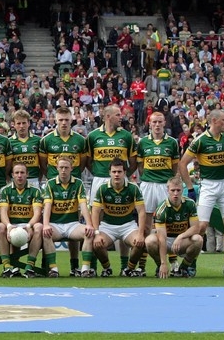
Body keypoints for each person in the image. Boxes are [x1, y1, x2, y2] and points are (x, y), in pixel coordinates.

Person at [181, 108, 224, 276]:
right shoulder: (200, 141)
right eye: (223, 120)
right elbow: (183, 164)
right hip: (208, 185)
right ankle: (192, 262)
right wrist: (190, 187)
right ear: (214, 121)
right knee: (201, 226)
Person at [87, 103, 137, 272]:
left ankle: (125, 266)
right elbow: (88, 161)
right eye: (117, 114)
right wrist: (99, 173)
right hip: (100, 179)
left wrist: (124, 174)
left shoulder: (126, 136)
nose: (120, 117)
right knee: (96, 222)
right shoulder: (93, 136)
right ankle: (94, 266)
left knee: (124, 218)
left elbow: (133, 161)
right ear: (108, 117)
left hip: (121, 180)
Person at [38, 105, 88, 276]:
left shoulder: (80, 140)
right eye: (60, 120)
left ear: (72, 120)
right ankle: (49, 266)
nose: (64, 123)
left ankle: (75, 266)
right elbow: (43, 165)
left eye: (67, 120)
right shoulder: (46, 140)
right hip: (53, 184)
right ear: (55, 120)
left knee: (73, 221)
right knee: (49, 222)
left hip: (74, 185)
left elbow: (81, 164)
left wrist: (70, 174)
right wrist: (54, 177)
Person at [136, 110, 180, 275]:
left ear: (164, 123)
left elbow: (174, 167)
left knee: (167, 226)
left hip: (164, 185)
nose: (157, 125)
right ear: (149, 123)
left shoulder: (172, 143)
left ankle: (173, 261)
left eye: (160, 122)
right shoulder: (142, 143)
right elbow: (140, 167)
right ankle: (142, 265)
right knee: (146, 227)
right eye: (154, 122)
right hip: (147, 185)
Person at [41, 156, 96, 278]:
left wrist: (89, 224)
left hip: (72, 224)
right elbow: (47, 206)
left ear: (72, 168)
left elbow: (83, 205)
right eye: (61, 167)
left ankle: (85, 269)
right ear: (57, 168)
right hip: (55, 224)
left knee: (89, 232)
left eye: (66, 167)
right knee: (45, 233)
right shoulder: (50, 184)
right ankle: (53, 269)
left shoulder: (78, 183)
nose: (63, 170)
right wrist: (45, 225)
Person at [91, 157, 146, 277]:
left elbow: (141, 212)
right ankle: (107, 268)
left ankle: (129, 269)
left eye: (119, 172)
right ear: (109, 172)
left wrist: (141, 234)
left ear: (125, 173)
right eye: (114, 172)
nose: (117, 174)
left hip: (128, 225)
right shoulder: (102, 188)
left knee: (140, 243)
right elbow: (95, 212)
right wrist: (96, 233)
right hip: (108, 226)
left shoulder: (133, 188)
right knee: (96, 243)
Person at [145, 175, 203, 279]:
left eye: (178, 190)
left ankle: (184, 268)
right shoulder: (161, 209)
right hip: (166, 241)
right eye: (173, 190)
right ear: (168, 190)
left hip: (182, 241)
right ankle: (160, 266)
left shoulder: (190, 204)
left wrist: (181, 237)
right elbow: (162, 238)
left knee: (198, 239)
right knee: (150, 241)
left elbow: (196, 228)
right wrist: (163, 263)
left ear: (182, 190)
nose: (175, 194)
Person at [0, 162, 44, 278]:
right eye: (16, 173)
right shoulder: (5, 190)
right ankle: (7, 267)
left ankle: (29, 267)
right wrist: (8, 226)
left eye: (22, 172)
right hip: (11, 224)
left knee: (39, 227)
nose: (19, 175)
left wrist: (28, 226)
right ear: (12, 175)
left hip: (28, 224)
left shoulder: (35, 191)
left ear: (27, 174)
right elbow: (3, 212)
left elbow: (37, 214)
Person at [9, 109, 42, 187]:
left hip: (34, 179)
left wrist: (39, 178)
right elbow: (8, 165)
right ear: (14, 125)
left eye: (24, 123)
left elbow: (43, 163)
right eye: (18, 123)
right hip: (16, 181)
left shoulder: (38, 140)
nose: (21, 126)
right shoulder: (9, 142)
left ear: (29, 123)